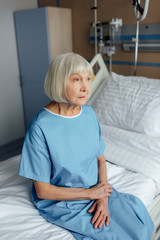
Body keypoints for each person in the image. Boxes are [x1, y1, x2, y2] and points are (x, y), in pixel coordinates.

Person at [19, 53, 154, 240]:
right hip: (62, 200)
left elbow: (100, 159)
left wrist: (102, 196)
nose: (85, 87)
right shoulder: (41, 126)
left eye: (88, 79)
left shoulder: (89, 113)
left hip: (96, 188)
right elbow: (43, 191)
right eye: (76, 79)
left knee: (140, 225)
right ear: (58, 81)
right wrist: (92, 193)